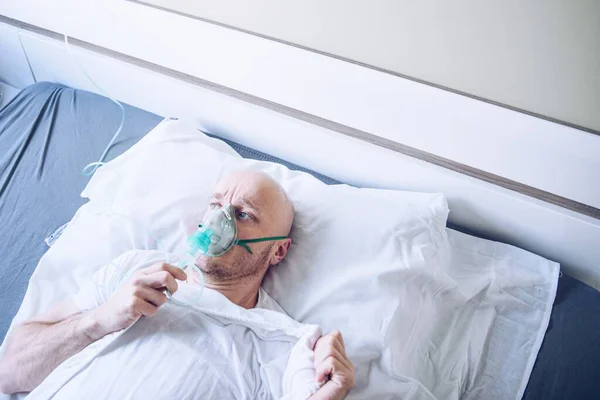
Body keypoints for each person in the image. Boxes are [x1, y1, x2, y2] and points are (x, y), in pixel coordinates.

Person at [0, 170, 355, 399]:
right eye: (216, 204)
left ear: (278, 250)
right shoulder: (136, 268)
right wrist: (99, 321)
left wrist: (333, 391)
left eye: (243, 214)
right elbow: (8, 372)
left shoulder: (283, 344)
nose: (218, 220)